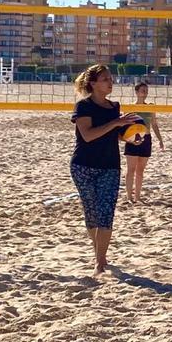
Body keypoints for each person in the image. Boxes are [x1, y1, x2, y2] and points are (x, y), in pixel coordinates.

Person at [71, 64, 139, 277]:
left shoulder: (114, 107)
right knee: (91, 214)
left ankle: (100, 263)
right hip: (83, 166)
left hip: (110, 166)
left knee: (106, 214)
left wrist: (130, 137)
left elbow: (113, 134)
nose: (111, 82)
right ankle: (98, 255)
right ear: (93, 83)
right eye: (105, 79)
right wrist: (116, 122)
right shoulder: (83, 106)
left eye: (111, 78)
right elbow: (88, 135)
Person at [123, 80, 165, 204]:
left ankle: (138, 197)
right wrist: (126, 139)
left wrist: (160, 139)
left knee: (140, 171)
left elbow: (154, 124)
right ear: (136, 92)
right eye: (143, 90)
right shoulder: (130, 107)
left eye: (146, 91)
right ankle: (129, 197)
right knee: (130, 170)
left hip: (146, 139)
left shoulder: (150, 107)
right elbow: (123, 125)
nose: (145, 93)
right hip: (132, 139)